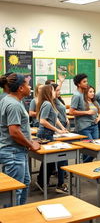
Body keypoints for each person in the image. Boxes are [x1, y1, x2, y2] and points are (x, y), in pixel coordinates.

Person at [0, 73, 40, 205]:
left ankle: (20, 214)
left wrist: (29, 141)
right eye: (27, 85)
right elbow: (14, 132)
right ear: (21, 88)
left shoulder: (13, 100)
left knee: (24, 184)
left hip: (17, 151)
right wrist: (30, 144)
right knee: (15, 191)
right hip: (13, 152)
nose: (30, 87)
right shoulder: (14, 104)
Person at [35, 85, 68, 193]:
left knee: (49, 161)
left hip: (48, 133)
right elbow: (43, 121)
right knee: (51, 159)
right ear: (49, 92)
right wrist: (57, 130)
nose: (55, 92)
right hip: (45, 134)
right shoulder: (47, 104)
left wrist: (62, 128)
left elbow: (55, 118)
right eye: (54, 90)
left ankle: (42, 181)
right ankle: (44, 182)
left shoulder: (50, 103)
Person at [75, 85, 100, 162]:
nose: (93, 93)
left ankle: (86, 164)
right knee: (90, 146)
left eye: (93, 91)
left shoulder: (94, 102)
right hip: (84, 127)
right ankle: (85, 163)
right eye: (90, 92)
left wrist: (98, 119)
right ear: (86, 92)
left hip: (94, 126)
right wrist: (87, 112)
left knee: (96, 146)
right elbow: (73, 112)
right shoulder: (82, 102)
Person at [51, 83, 69, 193]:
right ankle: (60, 182)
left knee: (65, 155)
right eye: (57, 90)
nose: (59, 92)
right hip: (56, 130)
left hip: (61, 128)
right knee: (62, 156)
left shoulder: (58, 100)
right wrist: (59, 129)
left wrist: (65, 122)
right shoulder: (49, 103)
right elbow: (53, 118)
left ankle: (62, 179)